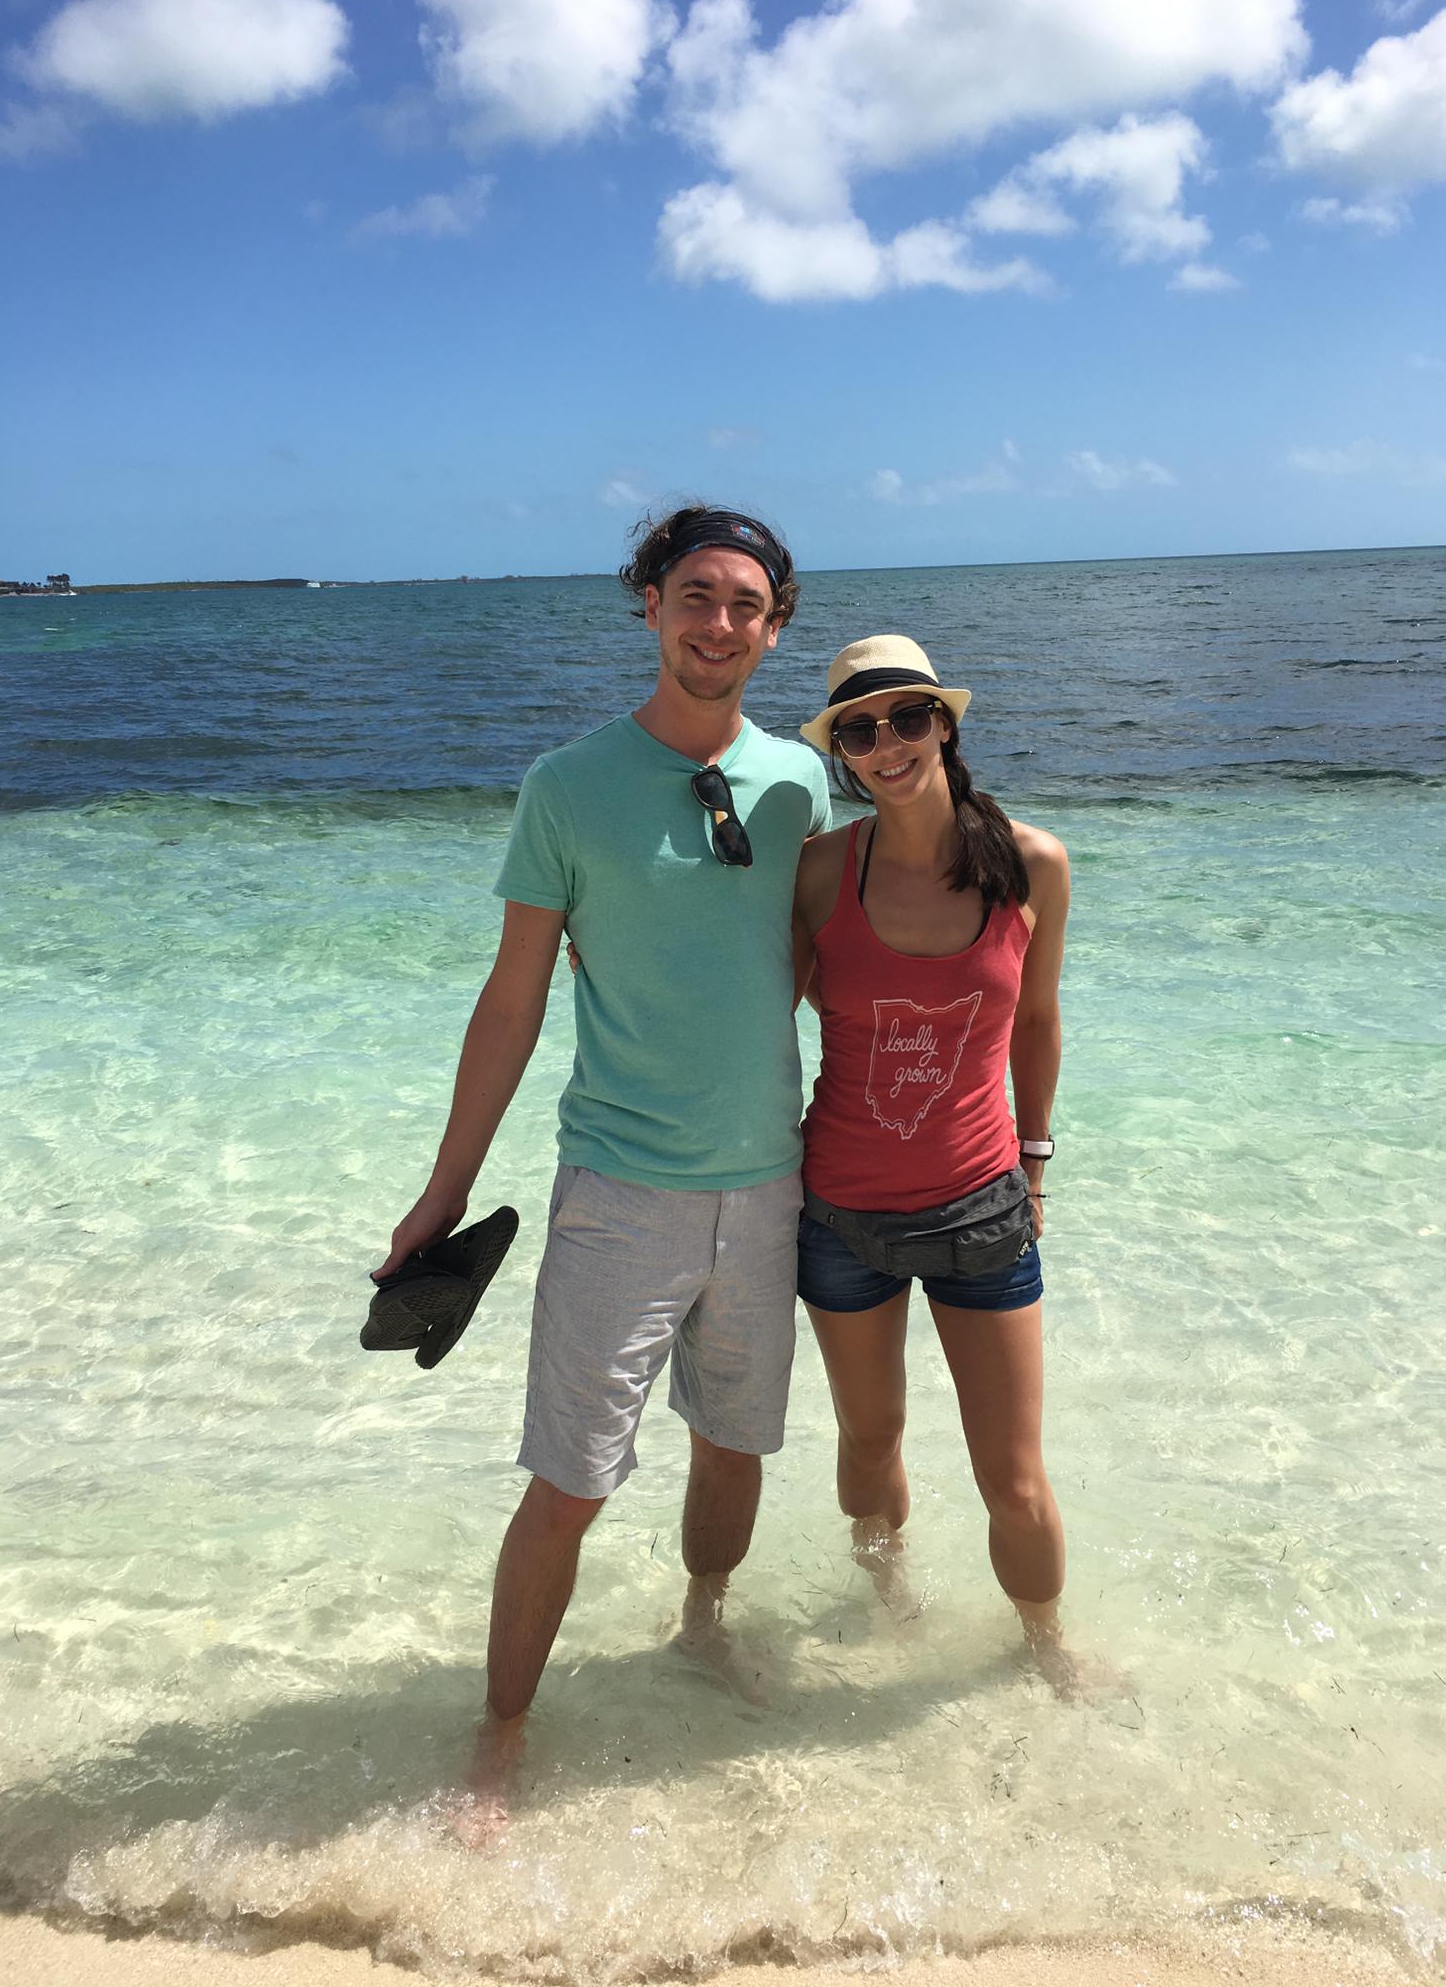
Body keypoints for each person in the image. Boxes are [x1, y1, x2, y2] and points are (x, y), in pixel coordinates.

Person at [374, 506, 830, 1813]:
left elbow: (841, 949)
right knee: (569, 1481)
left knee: (736, 1446)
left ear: (775, 626)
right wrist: (445, 1189)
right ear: (650, 605)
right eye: (697, 595)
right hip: (620, 1191)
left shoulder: (807, 782)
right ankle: (499, 1740)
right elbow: (513, 999)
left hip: (770, 1184)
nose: (720, 623)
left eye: (746, 603)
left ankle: (702, 1625)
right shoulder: (567, 786)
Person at [791, 635, 1075, 1689]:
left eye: (908, 717)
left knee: (1014, 1476)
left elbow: (1037, 1023)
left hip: (981, 1207)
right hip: (841, 1212)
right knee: (872, 1440)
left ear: (944, 724)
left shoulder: (1032, 862)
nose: (886, 744)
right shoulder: (823, 866)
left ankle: (1047, 1649)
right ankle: (890, 1602)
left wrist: (1036, 1161)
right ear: (843, 755)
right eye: (859, 731)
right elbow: (750, 995)